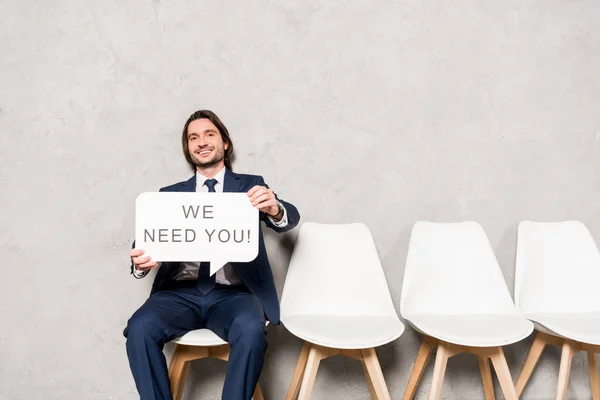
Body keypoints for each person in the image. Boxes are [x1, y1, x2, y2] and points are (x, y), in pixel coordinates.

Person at [124, 110, 300, 400]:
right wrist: (139, 264)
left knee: (251, 331)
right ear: (188, 148)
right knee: (140, 328)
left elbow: (288, 219)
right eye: (193, 137)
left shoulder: (250, 186)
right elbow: (145, 242)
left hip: (234, 295)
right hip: (179, 294)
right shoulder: (168, 195)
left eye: (209, 134)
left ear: (225, 143)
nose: (201, 142)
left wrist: (274, 208)